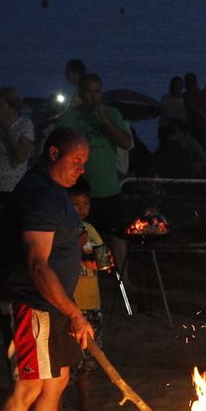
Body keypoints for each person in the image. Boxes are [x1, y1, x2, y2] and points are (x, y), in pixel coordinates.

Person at [0, 128, 95, 411]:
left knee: (56, 383)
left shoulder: (55, 194)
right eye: (75, 162)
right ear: (53, 153)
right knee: (27, 388)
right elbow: (36, 264)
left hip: (55, 308)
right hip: (30, 304)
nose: (80, 170)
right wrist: (74, 313)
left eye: (84, 164)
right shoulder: (37, 193)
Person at [55, 72, 134, 288]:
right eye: (89, 92)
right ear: (80, 93)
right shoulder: (69, 119)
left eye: (97, 92)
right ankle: (88, 281)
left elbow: (126, 143)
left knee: (116, 236)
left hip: (108, 187)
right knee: (84, 238)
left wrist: (106, 121)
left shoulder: (112, 114)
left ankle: (123, 282)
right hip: (79, 190)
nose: (94, 96)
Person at [67, 177, 110, 411]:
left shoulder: (90, 230)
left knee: (91, 355)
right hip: (72, 304)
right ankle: (58, 404)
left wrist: (103, 263)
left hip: (92, 303)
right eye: (75, 204)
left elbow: (101, 260)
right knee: (69, 356)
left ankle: (85, 396)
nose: (82, 209)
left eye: (86, 203)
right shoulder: (62, 231)